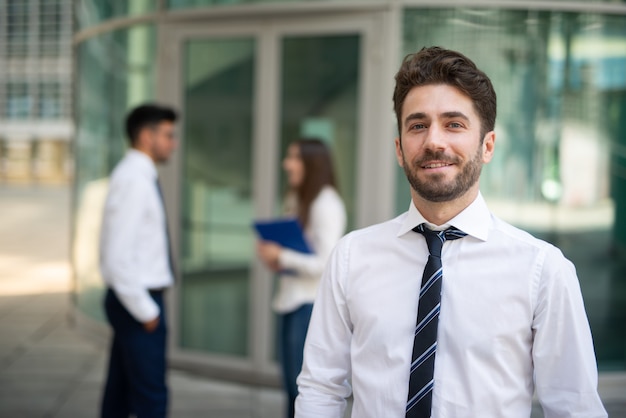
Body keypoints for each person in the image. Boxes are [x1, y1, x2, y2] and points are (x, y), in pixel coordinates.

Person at [295, 47, 607, 417]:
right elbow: (321, 388)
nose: (434, 141)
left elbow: (575, 407)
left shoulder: (542, 270)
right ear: (399, 148)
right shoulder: (352, 257)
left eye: (454, 124)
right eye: (417, 125)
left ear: (487, 146)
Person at [257, 138, 347, 418]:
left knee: (303, 392)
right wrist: (276, 260)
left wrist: (281, 255)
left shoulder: (326, 204)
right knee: (290, 389)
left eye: (293, 157)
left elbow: (325, 263)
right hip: (290, 301)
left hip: (308, 306)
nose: (287, 164)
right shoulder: (298, 199)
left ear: (311, 163)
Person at [99, 103, 178, 418]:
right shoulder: (134, 179)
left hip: (135, 299)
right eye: (168, 135)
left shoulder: (138, 175)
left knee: (119, 394)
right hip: (138, 300)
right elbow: (117, 257)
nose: (173, 143)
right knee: (151, 398)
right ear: (147, 136)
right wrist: (146, 311)